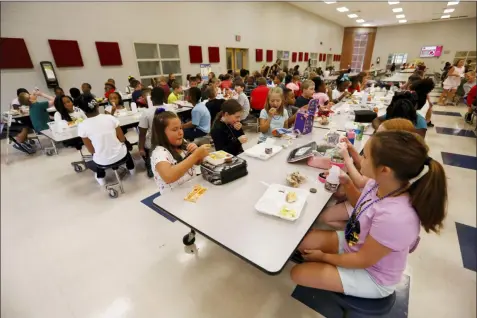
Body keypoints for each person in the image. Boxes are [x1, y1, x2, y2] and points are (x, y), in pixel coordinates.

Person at [291, 130, 447, 299]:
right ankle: (334, 266)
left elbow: (362, 260)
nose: (361, 160)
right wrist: (348, 182)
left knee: (298, 273)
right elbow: (363, 206)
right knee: (300, 241)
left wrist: (325, 257)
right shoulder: (380, 183)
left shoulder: (396, 217)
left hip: (373, 275)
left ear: (384, 170)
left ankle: (337, 272)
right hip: (356, 242)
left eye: (365, 157)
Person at [78, 97, 135, 186]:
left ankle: (101, 179)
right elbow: (122, 139)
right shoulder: (109, 118)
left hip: (102, 161)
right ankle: (132, 170)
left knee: (97, 155)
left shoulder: (82, 126)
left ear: (82, 110)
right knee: (125, 150)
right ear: (97, 105)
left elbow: (91, 150)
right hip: (121, 155)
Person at [150, 110, 210, 193]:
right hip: (173, 199)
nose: (180, 133)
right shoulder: (159, 153)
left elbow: (199, 161)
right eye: (175, 130)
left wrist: (196, 151)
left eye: (181, 128)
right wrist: (195, 155)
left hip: (191, 191)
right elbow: (169, 176)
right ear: (161, 134)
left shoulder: (182, 143)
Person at [138, 87, 166, 178]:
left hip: (153, 143)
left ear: (151, 98)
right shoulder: (171, 109)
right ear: (164, 97)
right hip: (168, 140)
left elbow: (142, 133)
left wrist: (141, 148)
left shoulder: (146, 113)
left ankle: (150, 165)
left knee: (146, 143)